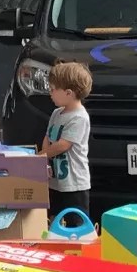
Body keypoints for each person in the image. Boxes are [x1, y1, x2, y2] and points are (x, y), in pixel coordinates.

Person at [42, 60, 93, 219]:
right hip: (56, 182)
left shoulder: (79, 117)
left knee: (75, 222)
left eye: (53, 89)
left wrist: (38, 157)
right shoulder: (56, 113)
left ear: (68, 93)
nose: (50, 93)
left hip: (74, 185)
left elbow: (63, 145)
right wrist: (44, 161)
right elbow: (47, 137)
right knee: (54, 219)